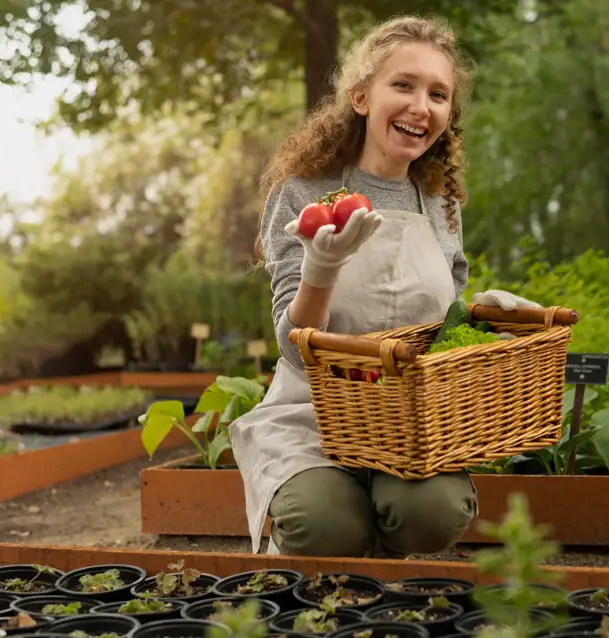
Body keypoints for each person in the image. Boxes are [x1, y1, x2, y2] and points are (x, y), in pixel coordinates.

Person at [229, 14, 541, 557]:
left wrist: (485, 321)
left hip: (408, 417)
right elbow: (295, 350)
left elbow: (438, 331)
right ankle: (331, 534)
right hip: (313, 413)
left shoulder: (440, 203)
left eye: (438, 94)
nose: (421, 106)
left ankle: (380, 557)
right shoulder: (303, 192)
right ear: (360, 97)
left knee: (434, 513)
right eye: (403, 85)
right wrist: (320, 269)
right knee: (322, 524)